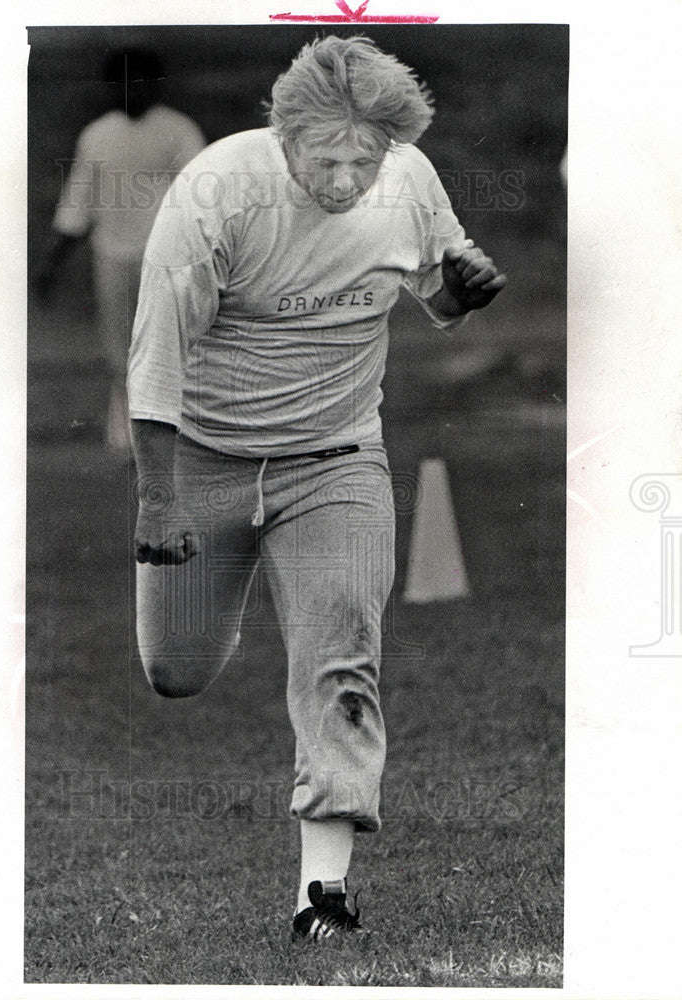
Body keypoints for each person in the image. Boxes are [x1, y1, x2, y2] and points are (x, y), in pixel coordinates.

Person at [128, 34, 506, 940]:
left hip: (335, 456)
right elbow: (156, 358)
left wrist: (464, 294)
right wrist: (158, 498)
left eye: (362, 161)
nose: (344, 179)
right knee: (174, 672)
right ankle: (218, 585)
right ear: (282, 134)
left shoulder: (407, 179)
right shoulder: (217, 194)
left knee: (343, 650)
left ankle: (322, 897)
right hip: (207, 456)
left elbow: (438, 296)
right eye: (324, 159)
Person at [35, 48, 205, 453]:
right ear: (112, 88)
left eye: (141, 82)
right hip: (112, 256)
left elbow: (203, 200)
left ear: (155, 86)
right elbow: (77, 205)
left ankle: (185, 435)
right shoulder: (97, 134)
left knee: (170, 345)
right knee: (120, 350)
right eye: (124, 83)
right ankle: (127, 439)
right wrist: (51, 265)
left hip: (167, 260)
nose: (132, 91)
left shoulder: (178, 131)